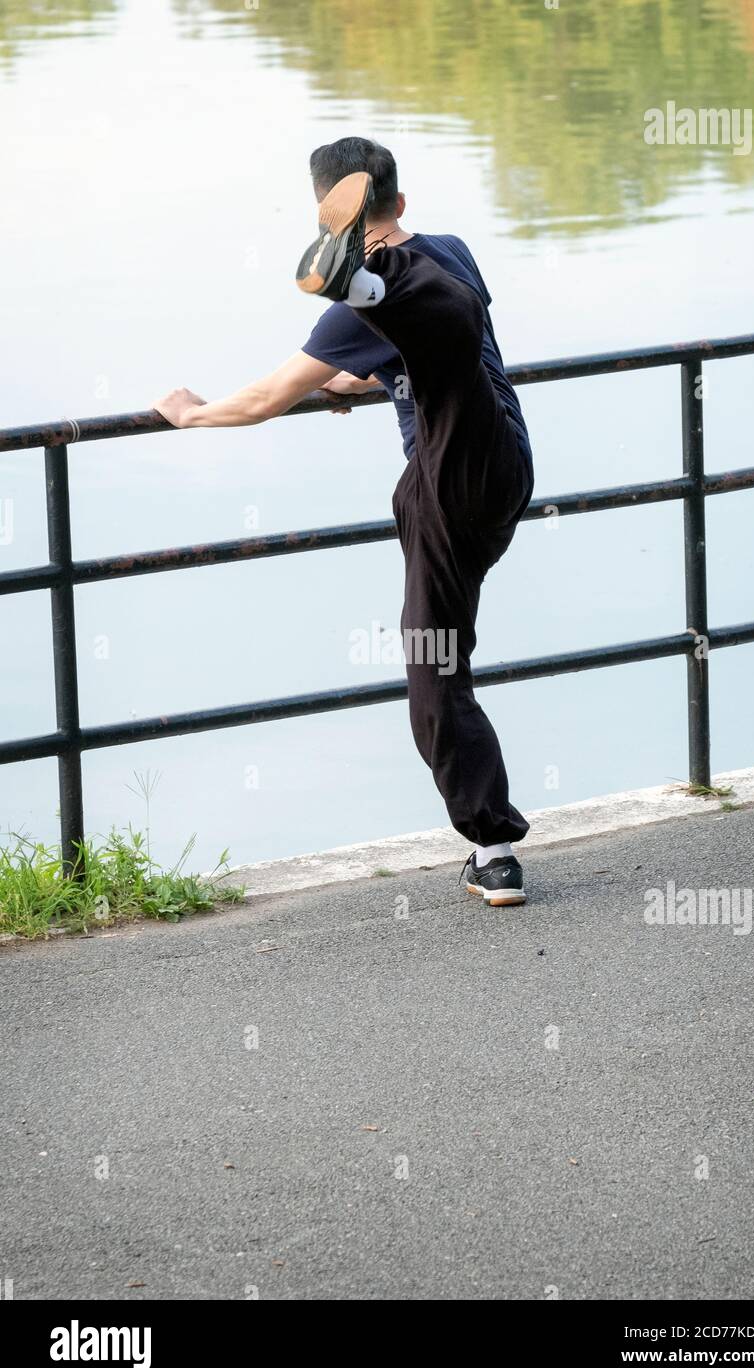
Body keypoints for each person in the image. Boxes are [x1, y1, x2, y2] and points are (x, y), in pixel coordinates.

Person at [154, 137, 534, 906]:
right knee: (438, 317)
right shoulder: (452, 251)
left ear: (335, 212)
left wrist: (194, 416)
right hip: (508, 459)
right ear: (401, 200)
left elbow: (263, 400)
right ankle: (364, 284)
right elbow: (449, 356)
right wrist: (366, 380)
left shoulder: (380, 300)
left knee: (433, 669)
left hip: (448, 486)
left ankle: (492, 848)